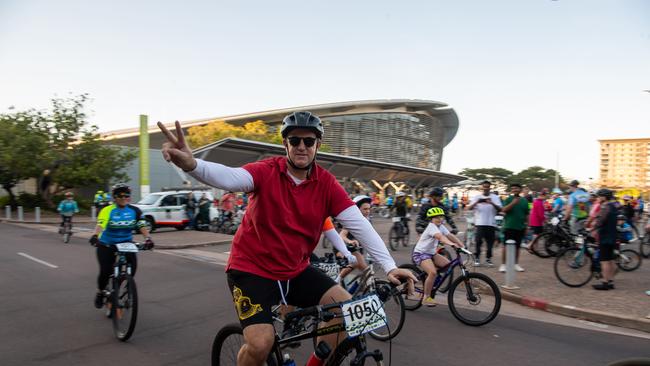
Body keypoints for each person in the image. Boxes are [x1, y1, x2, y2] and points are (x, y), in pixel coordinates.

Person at [158, 112, 415, 366]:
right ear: (285, 144)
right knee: (261, 344)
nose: (301, 146)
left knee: (348, 312)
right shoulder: (267, 171)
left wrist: (391, 267)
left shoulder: (326, 183)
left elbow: (360, 225)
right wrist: (192, 164)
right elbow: (230, 177)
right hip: (251, 270)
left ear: (317, 145)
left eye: (308, 141)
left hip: (295, 270)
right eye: (294, 141)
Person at [89, 183, 154, 308]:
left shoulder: (135, 210)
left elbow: (141, 226)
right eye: (120, 195)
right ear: (114, 197)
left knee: (133, 268)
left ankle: (122, 286)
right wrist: (95, 236)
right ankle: (100, 292)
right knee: (105, 271)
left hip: (126, 243)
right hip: (107, 244)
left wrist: (148, 239)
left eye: (126, 195)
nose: (123, 197)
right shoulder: (107, 210)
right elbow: (101, 224)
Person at [411, 207, 465, 306]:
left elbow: (450, 235)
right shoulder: (432, 227)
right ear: (431, 219)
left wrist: (462, 245)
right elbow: (441, 237)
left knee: (448, 265)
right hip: (420, 253)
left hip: (431, 254)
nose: (439, 219)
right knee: (433, 272)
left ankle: (431, 280)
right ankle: (426, 297)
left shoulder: (440, 226)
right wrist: (452, 244)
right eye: (436, 217)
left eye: (440, 216)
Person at [466, 181, 502, 267]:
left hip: (491, 224)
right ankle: (477, 258)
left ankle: (488, 259)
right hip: (479, 223)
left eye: (487, 187)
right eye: (484, 187)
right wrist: (477, 202)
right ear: (482, 188)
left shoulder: (495, 197)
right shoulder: (477, 197)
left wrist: (491, 202)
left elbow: (500, 209)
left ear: (490, 188)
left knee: (490, 243)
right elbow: (469, 208)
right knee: (478, 242)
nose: (486, 188)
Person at [499, 183, 529, 272]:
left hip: (520, 227)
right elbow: (503, 210)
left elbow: (527, 214)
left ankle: (515, 264)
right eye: (513, 188)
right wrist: (513, 203)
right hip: (509, 226)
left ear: (520, 189)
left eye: (516, 188)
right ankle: (503, 265)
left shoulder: (524, 200)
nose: (514, 190)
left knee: (518, 247)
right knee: (505, 246)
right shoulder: (508, 199)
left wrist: (528, 226)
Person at [592, 188, 618, 290]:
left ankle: (605, 283)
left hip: (605, 237)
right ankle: (610, 281)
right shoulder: (614, 206)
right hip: (612, 236)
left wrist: (592, 228)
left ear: (604, 197)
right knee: (610, 260)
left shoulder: (606, 207)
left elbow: (600, 222)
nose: (598, 198)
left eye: (599, 196)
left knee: (604, 261)